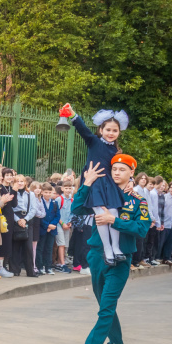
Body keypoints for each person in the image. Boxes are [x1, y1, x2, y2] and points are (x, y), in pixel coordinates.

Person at [73, 156, 149, 344]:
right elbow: (78, 209)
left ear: (131, 173)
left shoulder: (138, 200)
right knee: (105, 305)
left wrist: (114, 220)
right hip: (97, 256)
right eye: (114, 169)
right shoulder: (101, 193)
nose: (116, 173)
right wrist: (87, 183)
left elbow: (142, 229)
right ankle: (116, 341)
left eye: (122, 169)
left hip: (121, 258)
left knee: (106, 306)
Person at [62, 104, 129, 265]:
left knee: (113, 214)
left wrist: (129, 180)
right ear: (101, 130)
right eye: (108, 130)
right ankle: (107, 249)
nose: (111, 133)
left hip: (110, 185)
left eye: (115, 131)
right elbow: (83, 129)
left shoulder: (116, 151)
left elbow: (123, 169)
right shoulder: (93, 141)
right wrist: (72, 115)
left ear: (119, 132)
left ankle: (116, 247)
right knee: (100, 215)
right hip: (95, 184)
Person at [10, 175, 38, 277]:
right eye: (17, 181)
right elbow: (11, 209)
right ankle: (14, 270)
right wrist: (18, 220)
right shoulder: (13, 193)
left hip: (27, 219)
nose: (20, 183)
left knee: (28, 247)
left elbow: (33, 209)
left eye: (22, 181)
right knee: (15, 246)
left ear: (25, 182)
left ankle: (30, 271)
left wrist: (25, 219)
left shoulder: (30, 194)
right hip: (16, 218)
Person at [0, 168, 18, 278]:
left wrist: (14, 191)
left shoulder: (12, 188)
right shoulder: (0, 188)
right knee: (2, 242)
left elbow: (14, 204)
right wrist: (12, 192)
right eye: (7, 175)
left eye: (11, 175)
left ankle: (3, 265)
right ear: (3, 176)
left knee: (7, 242)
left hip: (10, 217)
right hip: (1, 217)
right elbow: (2, 203)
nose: (9, 177)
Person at [36, 182, 61, 275]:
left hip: (52, 229)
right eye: (45, 192)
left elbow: (57, 216)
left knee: (49, 248)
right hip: (43, 229)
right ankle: (40, 266)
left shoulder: (54, 203)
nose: (47, 194)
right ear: (42, 192)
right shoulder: (39, 201)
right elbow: (39, 216)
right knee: (40, 247)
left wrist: (52, 225)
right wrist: (47, 226)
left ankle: (48, 267)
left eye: (49, 192)